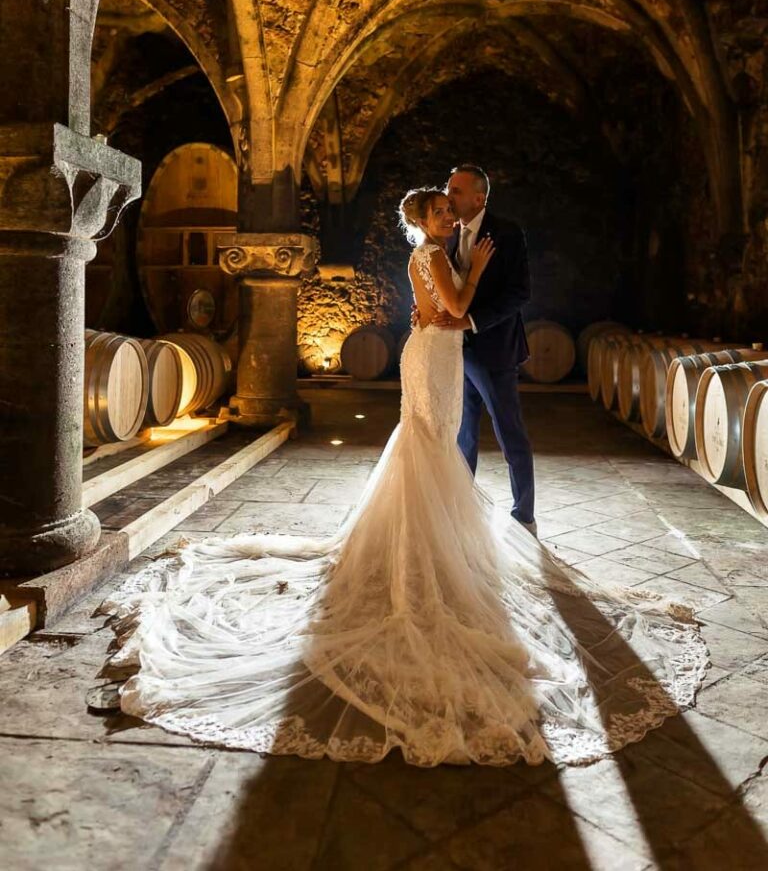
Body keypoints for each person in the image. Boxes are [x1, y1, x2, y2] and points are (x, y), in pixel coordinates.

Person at [101, 187, 708, 768]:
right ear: (425, 221)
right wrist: (475, 273)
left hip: (435, 350)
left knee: (433, 443)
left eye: (451, 209)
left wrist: (454, 296)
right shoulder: (435, 253)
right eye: (442, 211)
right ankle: (425, 554)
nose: (451, 217)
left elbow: (440, 311)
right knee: (431, 444)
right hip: (435, 352)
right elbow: (462, 306)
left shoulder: (426, 254)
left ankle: (431, 546)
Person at [436, 165, 536, 533]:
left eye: (457, 191)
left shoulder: (507, 233)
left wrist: (472, 321)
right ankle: (463, 510)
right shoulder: (446, 232)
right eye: (449, 189)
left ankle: (524, 514)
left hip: (494, 350)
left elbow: (519, 293)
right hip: (455, 351)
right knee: (463, 434)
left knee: (509, 431)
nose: (449, 198)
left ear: (480, 198)